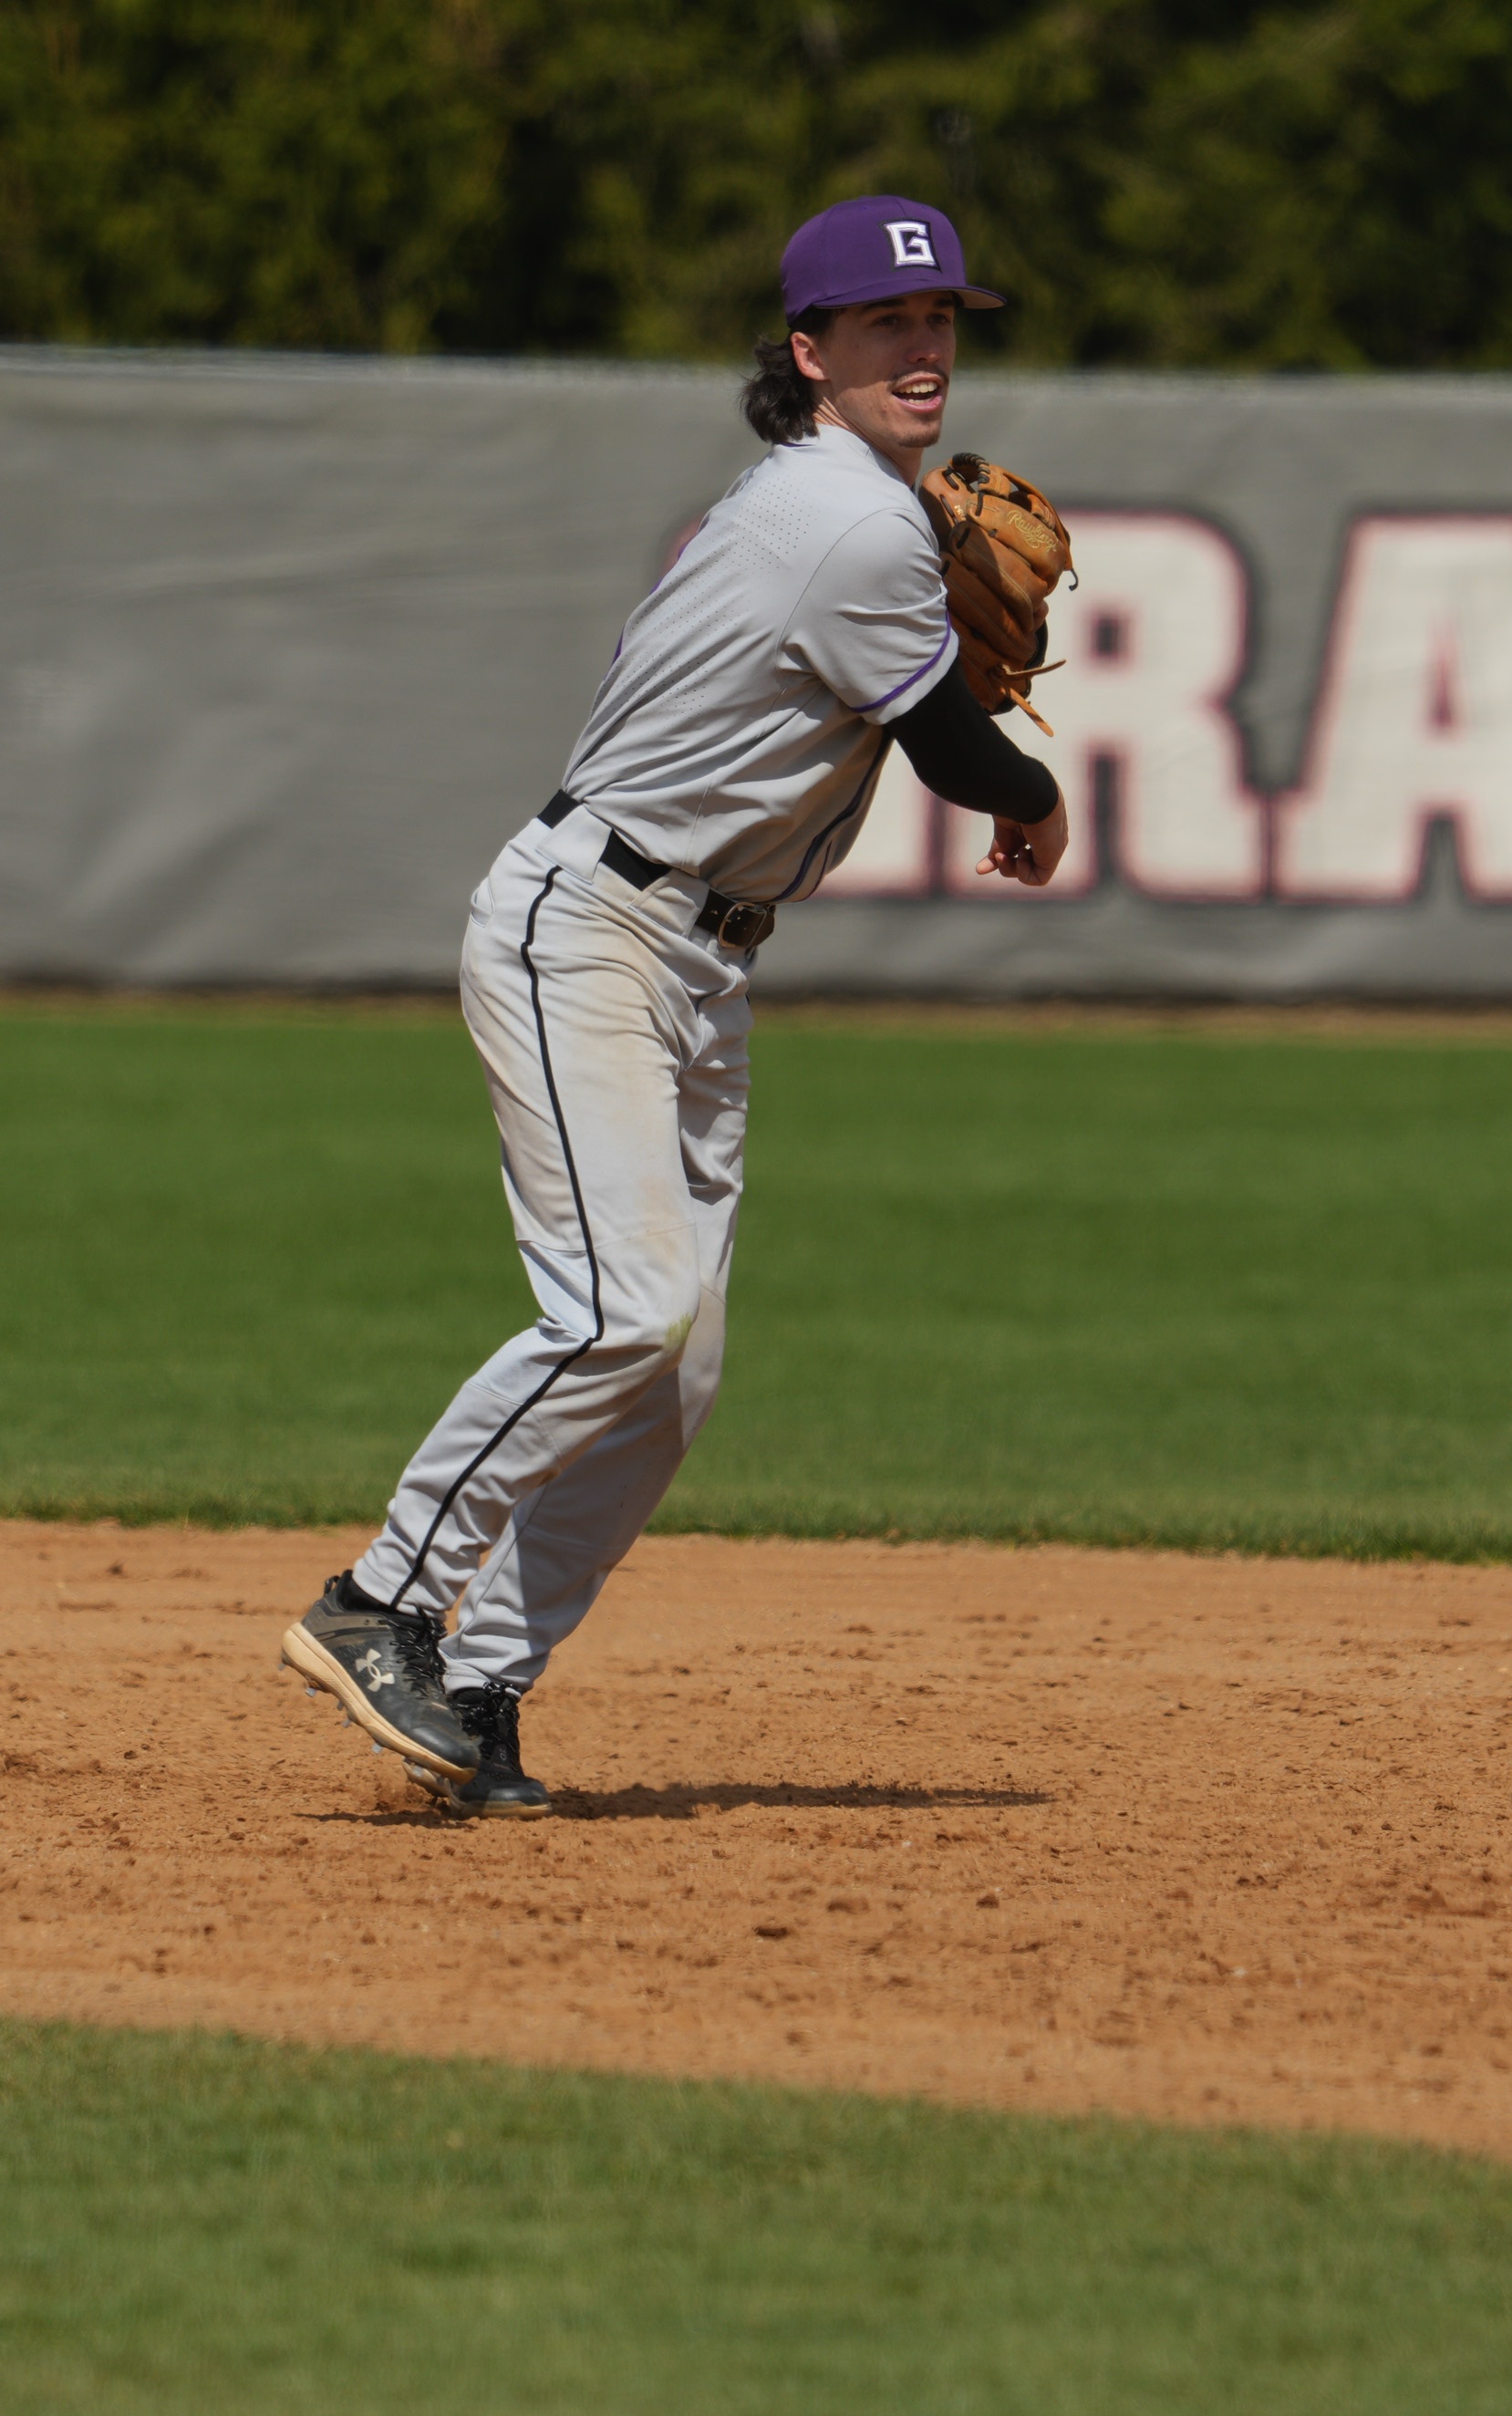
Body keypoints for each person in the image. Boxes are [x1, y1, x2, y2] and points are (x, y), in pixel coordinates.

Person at [277, 195, 1069, 1818]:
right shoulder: (849, 526)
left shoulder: (854, 507)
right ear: (809, 352)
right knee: (621, 1312)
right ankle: (378, 1605)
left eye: (943, 325)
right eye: (884, 327)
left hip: (700, 954)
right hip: (594, 932)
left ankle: (480, 1687)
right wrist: (1036, 790)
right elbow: (953, 753)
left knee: (674, 1370)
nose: (925, 349)